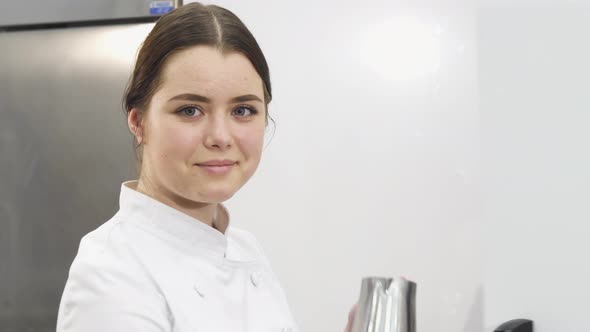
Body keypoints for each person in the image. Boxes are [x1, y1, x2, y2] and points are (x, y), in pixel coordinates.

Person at [56, 2, 357, 332]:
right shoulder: (111, 272)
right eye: (190, 110)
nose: (220, 137)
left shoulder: (244, 248)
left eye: (242, 110)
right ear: (138, 122)